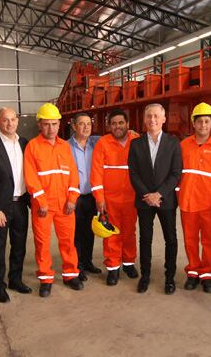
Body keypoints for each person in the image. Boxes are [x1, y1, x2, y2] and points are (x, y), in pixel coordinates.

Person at [23, 103, 84, 298]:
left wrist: (73, 198)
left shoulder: (65, 146)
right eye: (47, 124)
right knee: (42, 244)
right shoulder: (33, 147)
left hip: (65, 205)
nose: (51, 128)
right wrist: (41, 201)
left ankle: (70, 274)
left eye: (54, 124)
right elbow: (30, 177)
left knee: (68, 242)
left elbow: (73, 175)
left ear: (60, 124)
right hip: (43, 207)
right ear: (40, 124)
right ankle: (46, 278)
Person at [177, 103, 211, 293]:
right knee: (190, 240)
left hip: (210, 206)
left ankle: (206, 274)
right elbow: (177, 174)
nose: (203, 125)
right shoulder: (183, 146)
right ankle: (193, 272)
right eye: (199, 121)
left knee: (209, 241)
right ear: (193, 123)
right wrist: (178, 196)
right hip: (187, 203)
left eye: (206, 121)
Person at [128, 103, 182, 294]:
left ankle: (169, 278)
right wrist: (148, 196)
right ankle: (145, 276)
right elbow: (133, 173)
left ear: (164, 119)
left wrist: (159, 194)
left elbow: (176, 173)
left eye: (156, 116)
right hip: (144, 200)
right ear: (144, 120)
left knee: (171, 239)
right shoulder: (136, 144)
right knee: (145, 239)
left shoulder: (173, 143)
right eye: (149, 116)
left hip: (165, 199)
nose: (152, 119)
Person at [0, 107, 32, 303]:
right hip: (1, 207)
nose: (9, 124)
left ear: (17, 121)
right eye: (5, 120)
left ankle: (15, 279)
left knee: (19, 245)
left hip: (21, 204)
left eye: (12, 120)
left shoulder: (26, 144)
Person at [90, 108, 140, 286]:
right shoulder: (103, 144)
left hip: (132, 198)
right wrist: (99, 198)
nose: (117, 126)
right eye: (113, 123)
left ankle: (128, 263)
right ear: (108, 126)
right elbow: (96, 173)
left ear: (127, 124)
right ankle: (112, 267)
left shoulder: (136, 140)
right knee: (111, 234)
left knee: (129, 232)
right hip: (109, 199)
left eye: (121, 123)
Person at [67, 112, 102, 280]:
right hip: (75, 197)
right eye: (81, 123)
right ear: (74, 126)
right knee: (76, 233)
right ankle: (77, 265)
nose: (86, 127)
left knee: (89, 231)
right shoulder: (66, 147)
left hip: (92, 196)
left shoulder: (97, 144)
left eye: (89, 123)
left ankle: (88, 262)